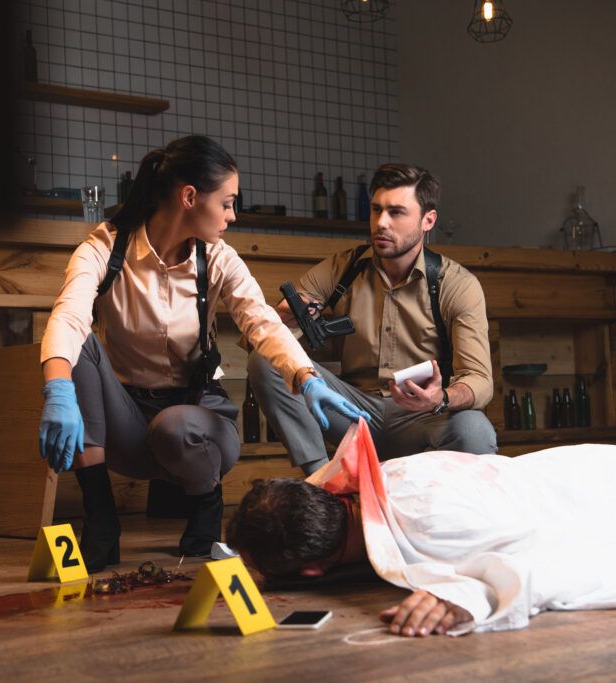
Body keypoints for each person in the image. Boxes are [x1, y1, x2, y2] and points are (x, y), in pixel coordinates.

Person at [37, 136, 369, 572]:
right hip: (127, 424)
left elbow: (261, 321)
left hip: (196, 424)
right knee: (77, 346)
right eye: (227, 202)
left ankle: (206, 509)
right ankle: (100, 519)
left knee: (176, 427)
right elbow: (68, 315)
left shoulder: (218, 258)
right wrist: (58, 390)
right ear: (189, 196)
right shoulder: (104, 247)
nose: (233, 215)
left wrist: (306, 377)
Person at [226, 422, 616, 637]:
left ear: (315, 567)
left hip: (600, 498)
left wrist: (474, 592)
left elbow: (555, 550)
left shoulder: (427, 524)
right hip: (575, 469)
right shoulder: (383, 483)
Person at [248, 163, 496, 475]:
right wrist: (288, 320)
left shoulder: (457, 285)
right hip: (351, 410)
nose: (381, 223)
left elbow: (480, 380)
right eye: (376, 210)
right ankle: (323, 482)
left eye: (396, 212)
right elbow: (268, 334)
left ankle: (449, 508)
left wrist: (441, 397)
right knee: (267, 360)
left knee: (475, 429)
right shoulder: (343, 268)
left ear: (427, 220)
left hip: (421, 416)